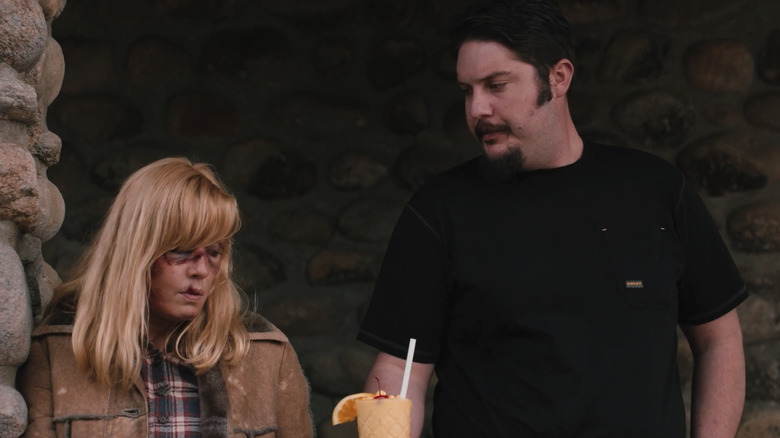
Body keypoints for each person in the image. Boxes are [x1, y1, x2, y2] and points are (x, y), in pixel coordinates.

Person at [357, 1, 748, 437]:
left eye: (496, 85)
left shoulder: (655, 189)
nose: (476, 108)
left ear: (558, 77)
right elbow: (400, 370)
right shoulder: (439, 210)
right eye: (467, 90)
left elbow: (719, 339)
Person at [18, 157, 313, 438]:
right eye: (181, 250)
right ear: (135, 251)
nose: (200, 270)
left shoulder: (265, 353)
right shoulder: (58, 346)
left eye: (213, 252)